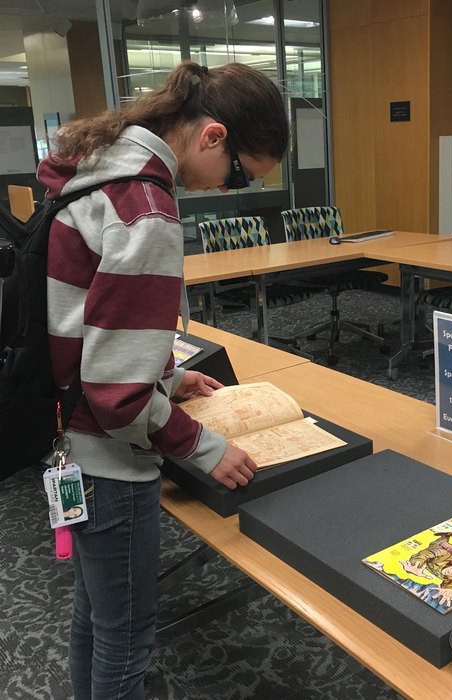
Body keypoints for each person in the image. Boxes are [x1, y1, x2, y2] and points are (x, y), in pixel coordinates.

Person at [37, 60, 289, 699]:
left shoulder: (99, 167)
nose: (229, 189)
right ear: (212, 137)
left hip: (67, 427)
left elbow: (90, 318)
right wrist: (205, 449)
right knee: (128, 641)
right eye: (237, 173)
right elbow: (117, 397)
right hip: (111, 460)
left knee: (94, 618)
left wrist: (166, 377)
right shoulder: (146, 207)